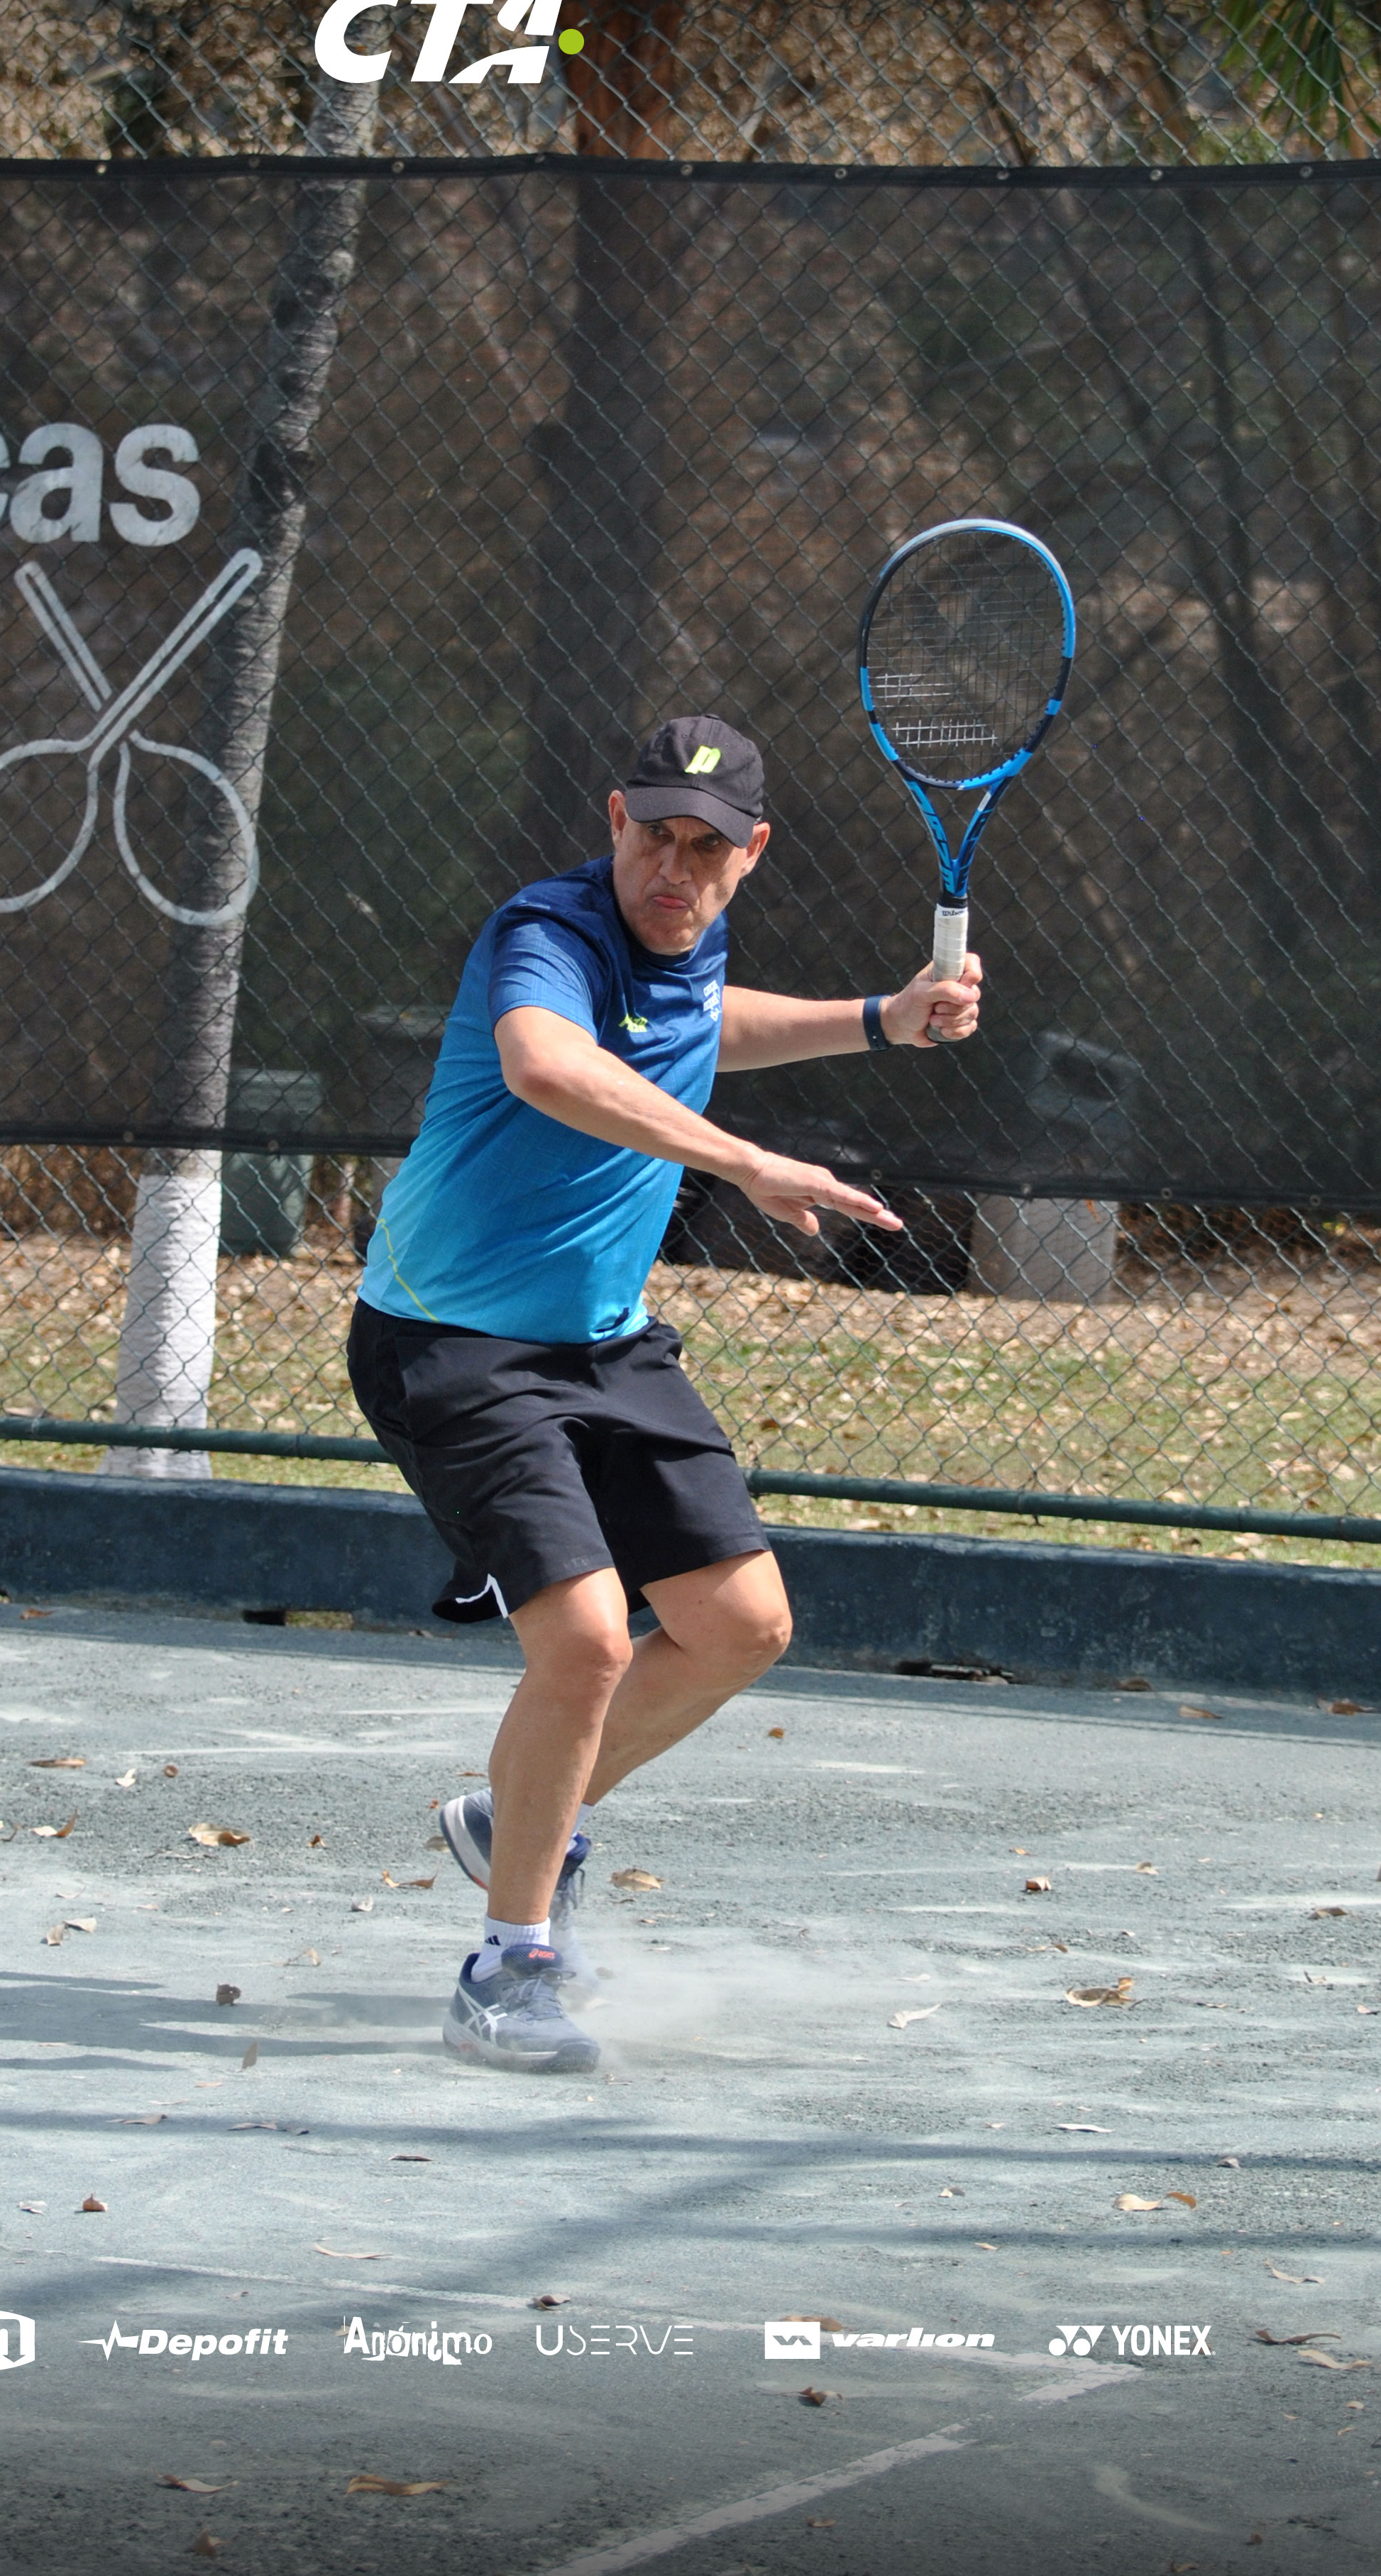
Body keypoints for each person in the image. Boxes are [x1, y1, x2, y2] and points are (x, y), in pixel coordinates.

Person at [345, 715, 981, 2072]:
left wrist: (878, 1018)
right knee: (584, 1643)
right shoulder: (551, 932)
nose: (672, 869)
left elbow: (705, 1030)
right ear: (614, 823)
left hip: (602, 1338)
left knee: (742, 1625)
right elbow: (549, 1065)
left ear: (750, 855)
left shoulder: (692, 941)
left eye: (705, 847)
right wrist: (749, 1164)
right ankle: (507, 1969)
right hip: (448, 1339)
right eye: (653, 836)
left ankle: (517, 1815)